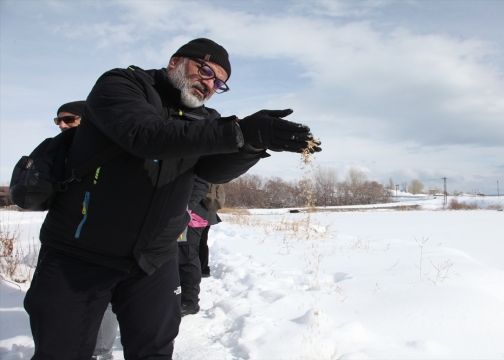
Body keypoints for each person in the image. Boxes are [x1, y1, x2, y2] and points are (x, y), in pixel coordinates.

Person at [24, 38, 321, 359]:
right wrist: (237, 132)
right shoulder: (123, 84)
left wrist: (250, 146)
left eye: (219, 83)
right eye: (206, 70)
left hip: (153, 259)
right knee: (62, 352)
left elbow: (214, 171)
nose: (210, 84)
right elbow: (144, 135)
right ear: (175, 61)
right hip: (80, 255)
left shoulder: (206, 117)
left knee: (154, 352)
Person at [55, 101, 120, 360]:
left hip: (101, 239)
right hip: (66, 236)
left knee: (100, 300)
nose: (62, 125)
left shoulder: (110, 147)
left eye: (69, 119)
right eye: (58, 120)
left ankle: (101, 353)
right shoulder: (63, 149)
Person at [177, 177, 221, 316]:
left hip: (191, 215)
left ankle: (189, 302)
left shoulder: (195, 162)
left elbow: (200, 185)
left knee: (187, 255)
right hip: (189, 213)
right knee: (185, 254)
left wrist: (184, 209)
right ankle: (182, 297)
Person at [199, 183, 224, 278]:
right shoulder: (213, 177)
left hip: (198, 213)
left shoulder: (199, 176)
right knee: (202, 241)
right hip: (209, 213)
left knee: (194, 242)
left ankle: (199, 268)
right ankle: (203, 269)